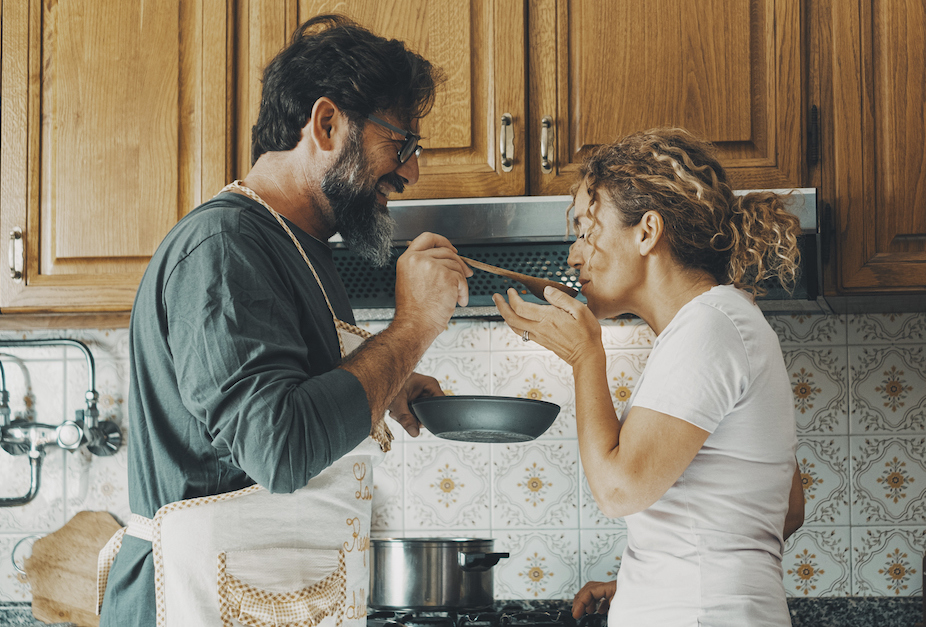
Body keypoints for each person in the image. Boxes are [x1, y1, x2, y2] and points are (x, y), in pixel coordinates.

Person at [97, 15, 471, 627]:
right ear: (327, 124)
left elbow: (275, 405)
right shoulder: (224, 246)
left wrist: (387, 385)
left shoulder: (298, 246)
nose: (411, 172)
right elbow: (278, 447)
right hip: (194, 605)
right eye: (401, 144)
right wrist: (413, 330)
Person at [494, 128, 807, 626]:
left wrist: (585, 356)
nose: (574, 256)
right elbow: (785, 508)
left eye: (585, 230)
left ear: (647, 232)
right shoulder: (719, 322)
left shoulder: (709, 326)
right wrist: (653, 578)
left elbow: (618, 491)